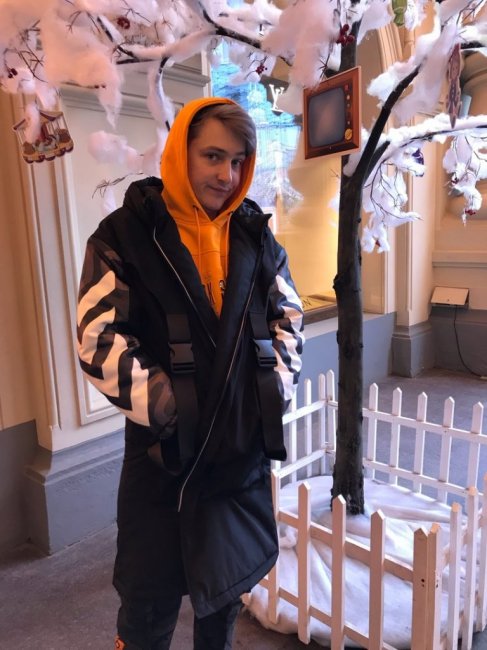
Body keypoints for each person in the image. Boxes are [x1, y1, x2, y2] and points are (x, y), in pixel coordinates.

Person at [76, 96, 304, 650]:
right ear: (181, 153)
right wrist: (173, 409)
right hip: (163, 461)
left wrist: (265, 395)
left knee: (222, 600)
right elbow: (98, 339)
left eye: (238, 161)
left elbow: (288, 320)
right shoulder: (125, 234)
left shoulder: (255, 236)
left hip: (237, 458)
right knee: (148, 608)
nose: (227, 176)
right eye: (213, 157)